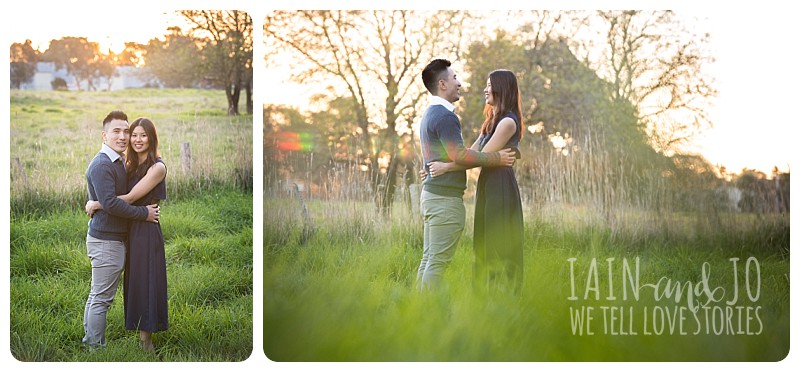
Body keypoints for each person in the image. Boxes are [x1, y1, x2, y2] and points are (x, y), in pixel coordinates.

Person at [416, 59, 516, 290]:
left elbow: (442, 156)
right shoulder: (445, 116)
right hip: (444, 201)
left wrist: (435, 168)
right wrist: (496, 158)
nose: (459, 83)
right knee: (436, 263)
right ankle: (426, 316)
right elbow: (460, 155)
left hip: (432, 196)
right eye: (454, 78)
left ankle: (418, 308)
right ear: (442, 84)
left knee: (429, 260)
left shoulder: (430, 114)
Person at [87, 117, 168, 352]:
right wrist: (102, 201)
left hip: (145, 229)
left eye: (143, 135)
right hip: (130, 228)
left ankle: (147, 343)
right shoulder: (128, 163)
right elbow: (114, 192)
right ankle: (123, 336)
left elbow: (131, 198)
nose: (137, 139)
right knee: (135, 284)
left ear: (152, 138)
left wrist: (97, 204)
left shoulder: (157, 167)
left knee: (146, 282)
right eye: (134, 135)